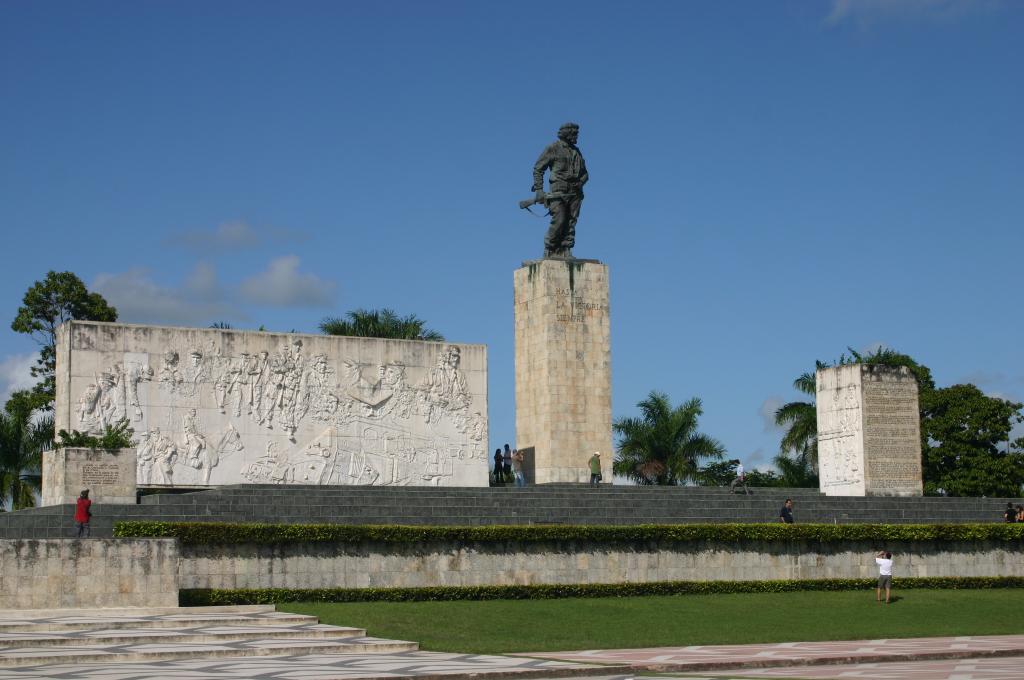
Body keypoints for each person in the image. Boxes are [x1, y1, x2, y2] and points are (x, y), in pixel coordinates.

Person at [531, 122, 589, 259]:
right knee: (559, 220)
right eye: (574, 134)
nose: (576, 136)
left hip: (575, 193)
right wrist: (539, 190)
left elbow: (585, 174)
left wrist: (580, 182)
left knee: (571, 222)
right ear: (567, 133)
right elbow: (538, 169)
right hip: (558, 192)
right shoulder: (553, 148)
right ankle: (550, 248)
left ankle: (566, 249)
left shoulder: (576, 152)